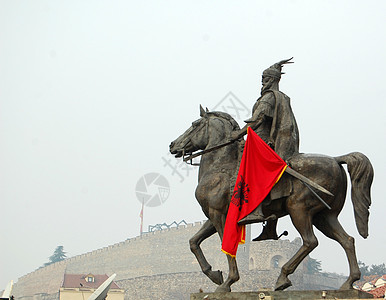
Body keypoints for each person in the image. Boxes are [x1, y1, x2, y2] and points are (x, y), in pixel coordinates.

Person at [230, 58, 300, 225]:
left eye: (266, 79)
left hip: (262, 143)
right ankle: (270, 227)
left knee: (249, 170)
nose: (263, 83)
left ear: (274, 80)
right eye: (262, 79)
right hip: (260, 141)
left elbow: (257, 120)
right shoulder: (278, 97)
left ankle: (255, 210)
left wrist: (238, 134)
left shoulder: (268, 98)